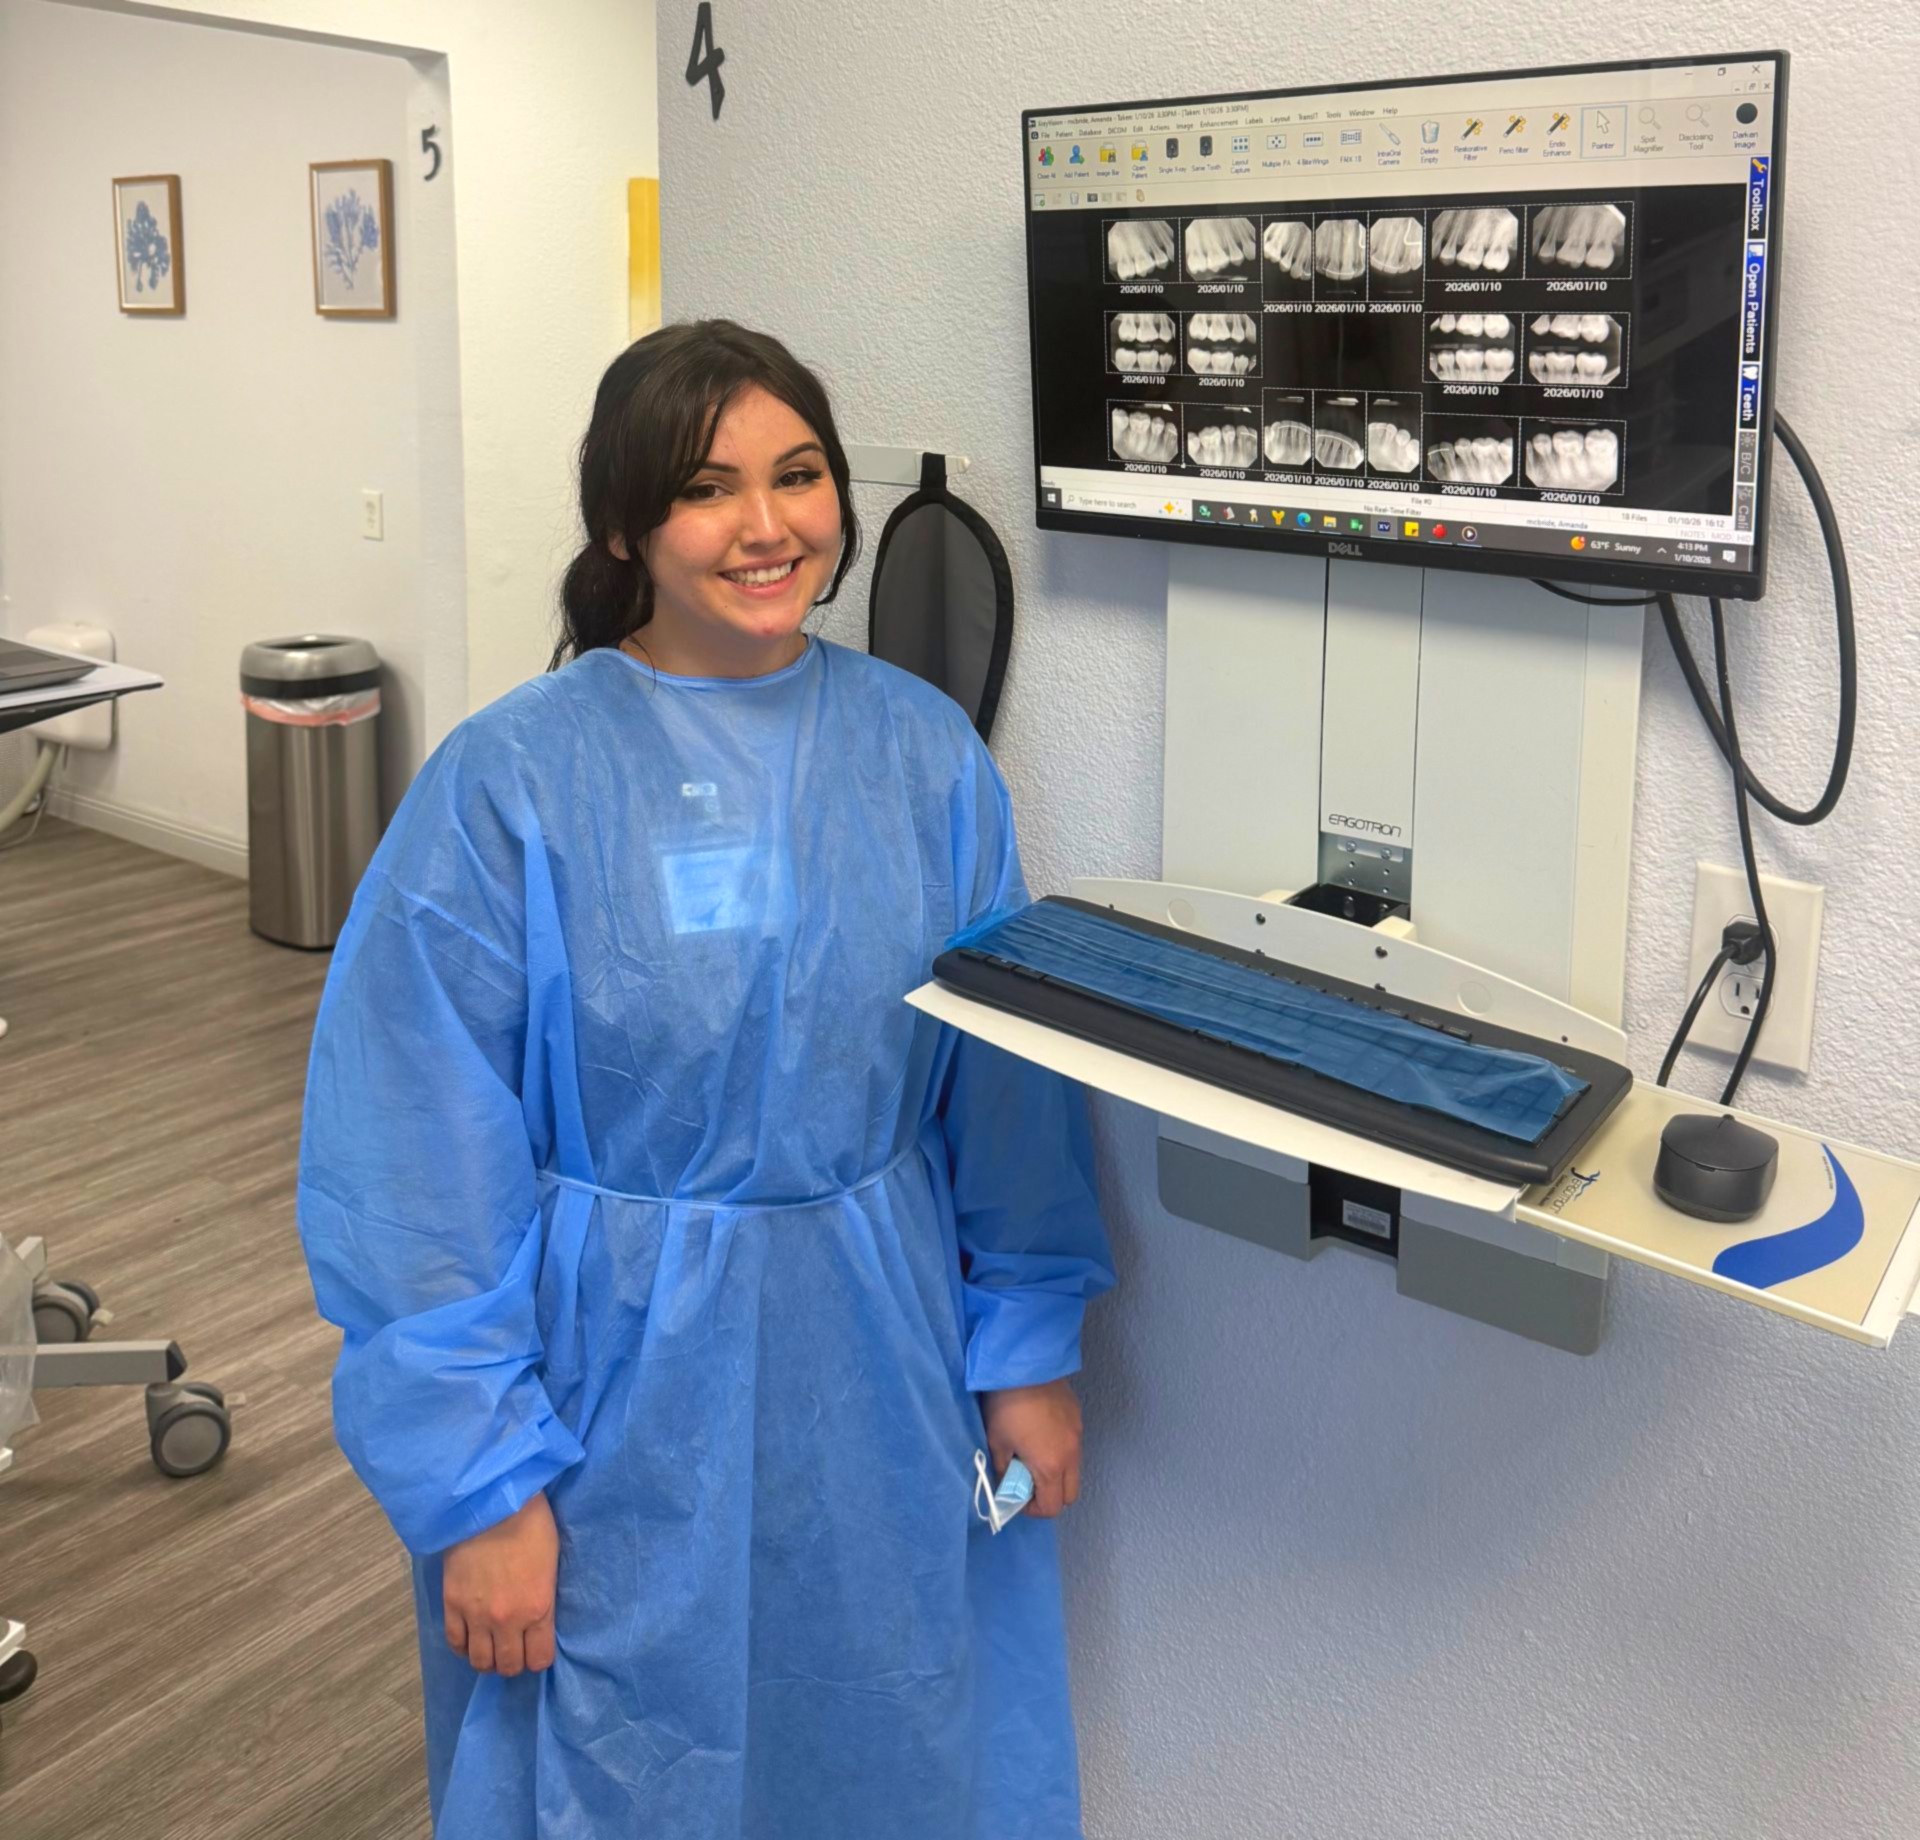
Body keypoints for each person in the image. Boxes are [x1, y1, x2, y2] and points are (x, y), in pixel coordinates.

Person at [297, 319, 1116, 1838]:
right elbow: (412, 1164)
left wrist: (1028, 1350)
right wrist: (482, 1486)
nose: (766, 526)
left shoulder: (923, 755)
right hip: (606, 1394)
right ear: (625, 527)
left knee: (886, 1730)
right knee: (616, 1754)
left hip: (877, 1362)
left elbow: (1001, 1087)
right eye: (705, 488)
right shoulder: (511, 782)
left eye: (798, 476)